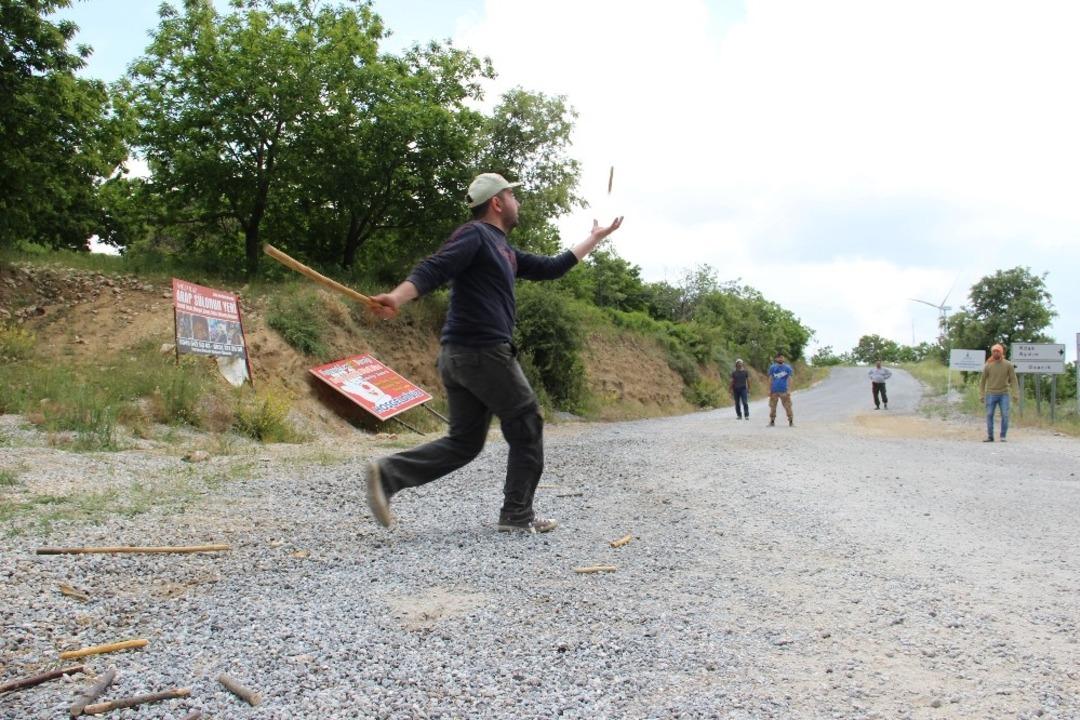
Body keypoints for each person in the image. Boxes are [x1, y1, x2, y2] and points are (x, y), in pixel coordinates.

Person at [363, 172, 623, 533]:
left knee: (465, 443)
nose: (518, 202)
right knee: (527, 421)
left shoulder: (504, 250)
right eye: (513, 195)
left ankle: (388, 475)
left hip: (460, 356)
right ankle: (518, 515)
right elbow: (435, 267)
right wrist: (397, 296)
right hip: (481, 351)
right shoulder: (476, 235)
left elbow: (552, 267)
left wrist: (593, 239)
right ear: (497, 203)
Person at [979, 343, 1018, 442]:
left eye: (998, 351)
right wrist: (981, 394)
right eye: (994, 351)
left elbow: (1013, 379)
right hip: (991, 394)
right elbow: (982, 381)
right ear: (992, 352)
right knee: (989, 414)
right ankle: (990, 436)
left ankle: (1003, 436)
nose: (996, 353)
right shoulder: (988, 365)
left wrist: (1015, 393)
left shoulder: (1008, 365)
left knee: (1005, 414)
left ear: (1001, 352)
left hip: (1004, 393)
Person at [766, 352, 794, 427]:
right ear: (776, 359)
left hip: (784, 390)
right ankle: (772, 421)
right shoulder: (773, 367)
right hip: (774, 390)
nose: (781, 359)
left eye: (782, 357)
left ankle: (791, 421)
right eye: (779, 357)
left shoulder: (787, 368)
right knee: (772, 406)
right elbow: (770, 378)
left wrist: (789, 389)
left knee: (788, 406)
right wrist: (769, 389)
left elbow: (790, 379)